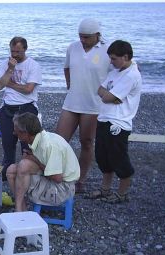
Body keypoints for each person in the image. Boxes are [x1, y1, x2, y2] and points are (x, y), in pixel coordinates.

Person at [55, 19, 111, 193]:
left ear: (97, 35)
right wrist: (70, 85)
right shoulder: (73, 47)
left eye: (86, 37)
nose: (83, 40)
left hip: (93, 104)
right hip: (72, 102)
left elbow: (123, 68)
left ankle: (80, 179)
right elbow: (67, 68)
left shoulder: (108, 49)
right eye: (80, 37)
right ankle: (57, 174)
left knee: (86, 142)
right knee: (58, 141)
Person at [91, 40, 142, 203]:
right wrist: (109, 96)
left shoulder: (131, 74)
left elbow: (107, 96)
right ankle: (105, 189)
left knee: (119, 158)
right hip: (104, 118)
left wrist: (109, 96)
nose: (111, 62)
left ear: (125, 57)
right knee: (102, 157)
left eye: (113, 59)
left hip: (119, 122)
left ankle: (122, 193)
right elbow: (100, 90)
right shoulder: (115, 72)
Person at [6, 112, 80, 212]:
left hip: (62, 189)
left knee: (23, 166)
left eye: (17, 131)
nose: (14, 133)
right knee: (11, 170)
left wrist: (34, 160)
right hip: (54, 181)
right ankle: (21, 208)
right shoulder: (37, 139)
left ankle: (19, 210)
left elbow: (57, 178)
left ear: (25, 133)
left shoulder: (48, 145)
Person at [0, 36, 42, 180]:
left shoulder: (33, 65)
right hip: (7, 108)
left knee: (27, 145)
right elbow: (0, 85)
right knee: (8, 144)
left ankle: (25, 172)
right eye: (12, 51)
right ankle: (7, 172)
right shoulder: (6, 64)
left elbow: (29, 89)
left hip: (26, 108)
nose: (14, 55)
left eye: (18, 52)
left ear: (25, 49)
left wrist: (10, 84)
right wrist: (10, 69)